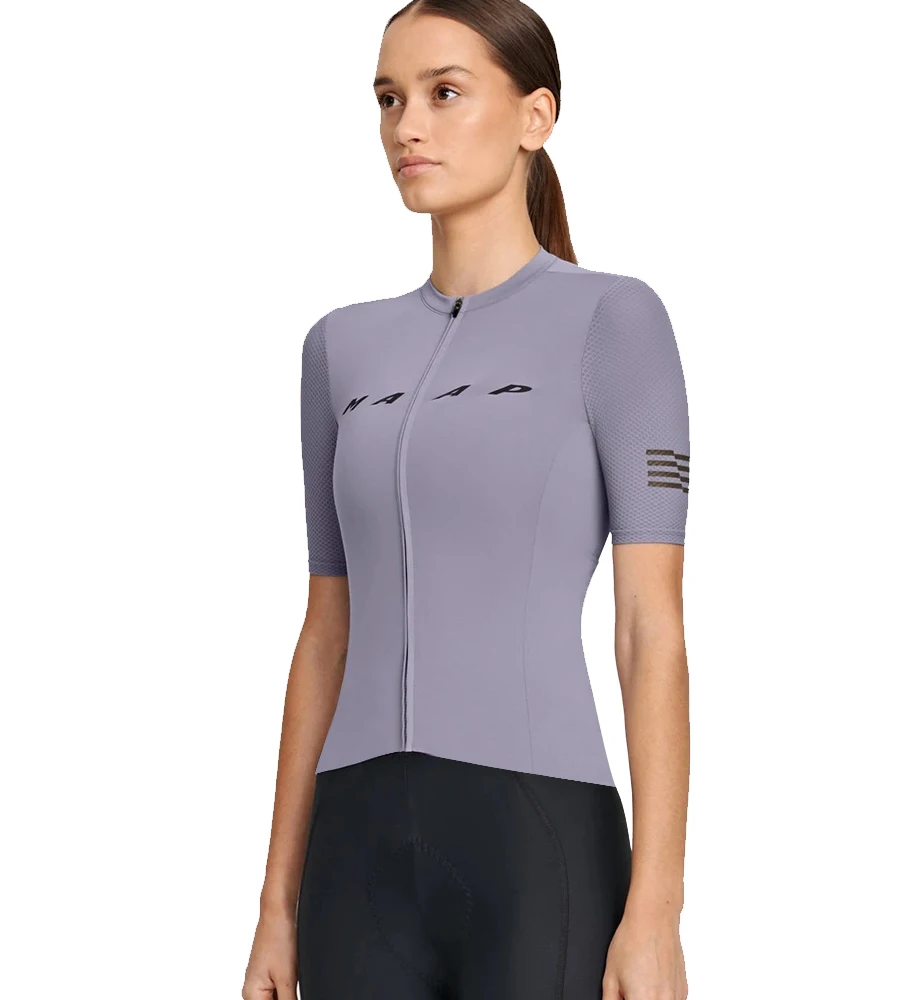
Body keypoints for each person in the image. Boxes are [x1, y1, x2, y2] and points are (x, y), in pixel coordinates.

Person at [243, 1, 691, 998]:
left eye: (444, 93)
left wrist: (656, 909)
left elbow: (647, 628)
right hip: (353, 851)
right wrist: (275, 904)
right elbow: (325, 632)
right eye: (389, 98)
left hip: (536, 842)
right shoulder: (338, 348)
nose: (407, 126)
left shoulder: (614, 323)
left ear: (536, 115)